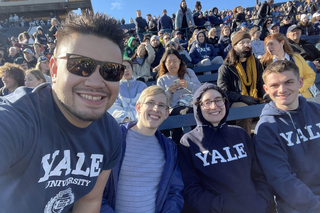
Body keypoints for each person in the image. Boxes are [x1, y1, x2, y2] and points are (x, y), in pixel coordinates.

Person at [0, 11, 125, 212]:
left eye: (111, 70)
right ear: (55, 70)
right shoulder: (18, 116)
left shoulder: (111, 132)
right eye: (81, 65)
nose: (95, 82)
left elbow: (89, 201)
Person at [179, 83, 275, 213]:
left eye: (218, 100)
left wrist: (262, 201)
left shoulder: (240, 134)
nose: (214, 106)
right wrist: (221, 207)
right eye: (207, 102)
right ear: (198, 106)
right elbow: (191, 188)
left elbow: (259, 174)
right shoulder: (189, 142)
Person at [101, 85, 184, 213]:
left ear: (167, 113)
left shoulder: (169, 148)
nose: (156, 109)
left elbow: (175, 191)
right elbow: (96, 191)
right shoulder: (114, 138)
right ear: (138, 107)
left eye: (162, 105)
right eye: (151, 103)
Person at [254, 60, 320, 213]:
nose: (282, 89)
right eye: (275, 85)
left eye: (289, 82)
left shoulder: (317, 111)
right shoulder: (266, 128)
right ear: (266, 89)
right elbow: (281, 179)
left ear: (300, 82)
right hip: (298, 205)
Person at [217, 31, 265, 134]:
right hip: (235, 101)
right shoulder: (226, 67)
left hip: (255, 97)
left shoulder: (256, 63)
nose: (247, 45)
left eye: (248, 42)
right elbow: (223, 91)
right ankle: (245, 141)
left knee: (273, 104)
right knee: (245, 110)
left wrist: (266, 95)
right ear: (234, 47)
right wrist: (242, 98)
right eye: (242, 43)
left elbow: (261, 83)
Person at [260, 33, 316, 98]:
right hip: (280, 100)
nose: (269, 48)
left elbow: (310, 75)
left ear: (282, 42)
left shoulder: (297, 57)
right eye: (267, 45)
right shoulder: (265, 63)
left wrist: (298, 88)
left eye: (271, 44)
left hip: (301, 97)